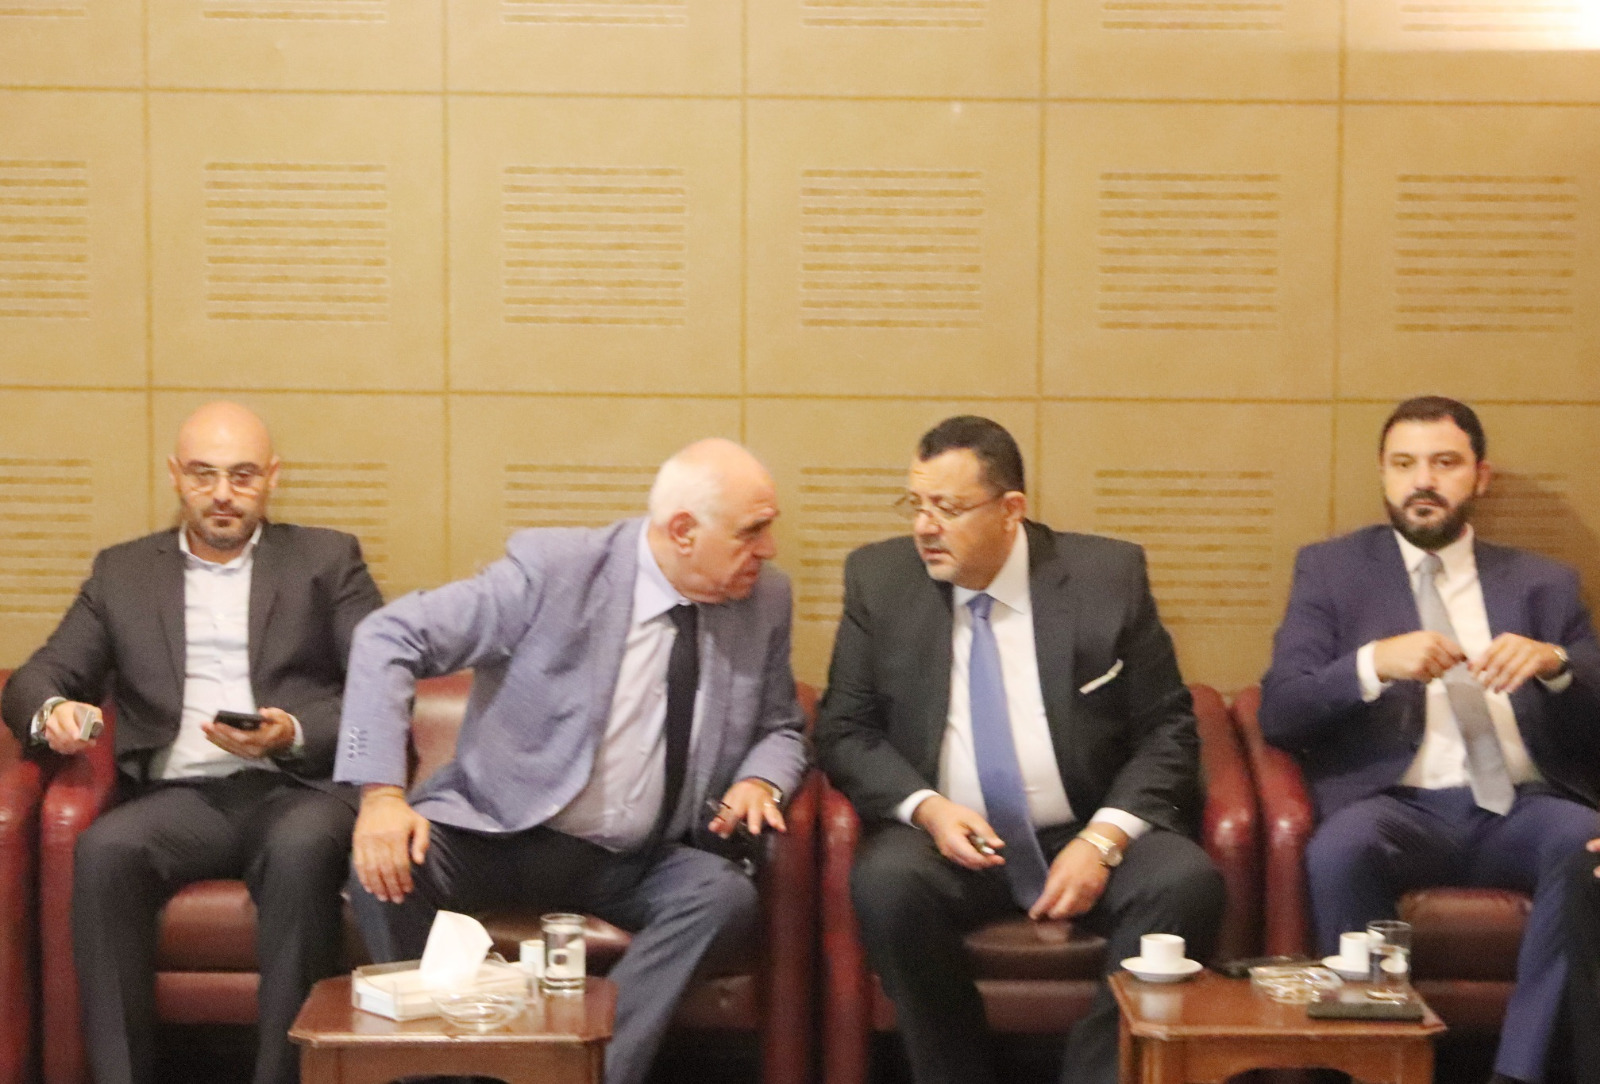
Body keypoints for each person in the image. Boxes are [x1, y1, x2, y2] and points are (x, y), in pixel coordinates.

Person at [336, 437, 807, 1084]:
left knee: (723, 897)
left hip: (637, 858)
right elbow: (389, 635)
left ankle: (589, 1072)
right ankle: (445, 1075)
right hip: (500, 833)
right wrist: (382, 797)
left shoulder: (765, 599)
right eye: (751, 531)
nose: (769, 548)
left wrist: (760, 779)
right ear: (683, 531)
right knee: (385, 869)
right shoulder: (555, 571)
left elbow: (782, 725)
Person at [815, 415, 1224, 1084]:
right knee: (887, 883)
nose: (924, 526)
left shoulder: (1106, 576)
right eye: (915, 504)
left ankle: (1096, 1074)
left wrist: (1103, 841)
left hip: (1083, 824)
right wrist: (928, 810)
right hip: (949, 838)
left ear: (1011, 510)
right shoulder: (880, 579)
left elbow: (1167, 729)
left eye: (947, 509)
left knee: (1186, 882)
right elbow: (844, 730)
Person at [0, 402, 383, 1084]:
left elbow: (380, 681)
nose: (223, 494)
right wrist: (53, 710)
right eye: (204, 475)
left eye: (242, 475)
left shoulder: (326, 560)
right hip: (180, 799)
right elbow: (39, 675)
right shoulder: (123, 573)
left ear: (272, 477)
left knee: (301, 850)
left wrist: (292, 732)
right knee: (105, 850)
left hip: (296, 789)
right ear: (176, 476)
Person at [1261, 395, 1600, 1084]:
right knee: (1341, 849)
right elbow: (1282, 709)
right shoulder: (1331, 571)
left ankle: (1520, 1073)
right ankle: (1380, 1066)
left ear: (1480, 477)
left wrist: (1557, 664)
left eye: (1445, 463)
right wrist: (1372, 663)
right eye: (1404, 464)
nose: (1423, 480)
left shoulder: (1543, 582)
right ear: (1383, 474)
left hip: (1522, 807)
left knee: (1584, 842)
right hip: (1397, 807)